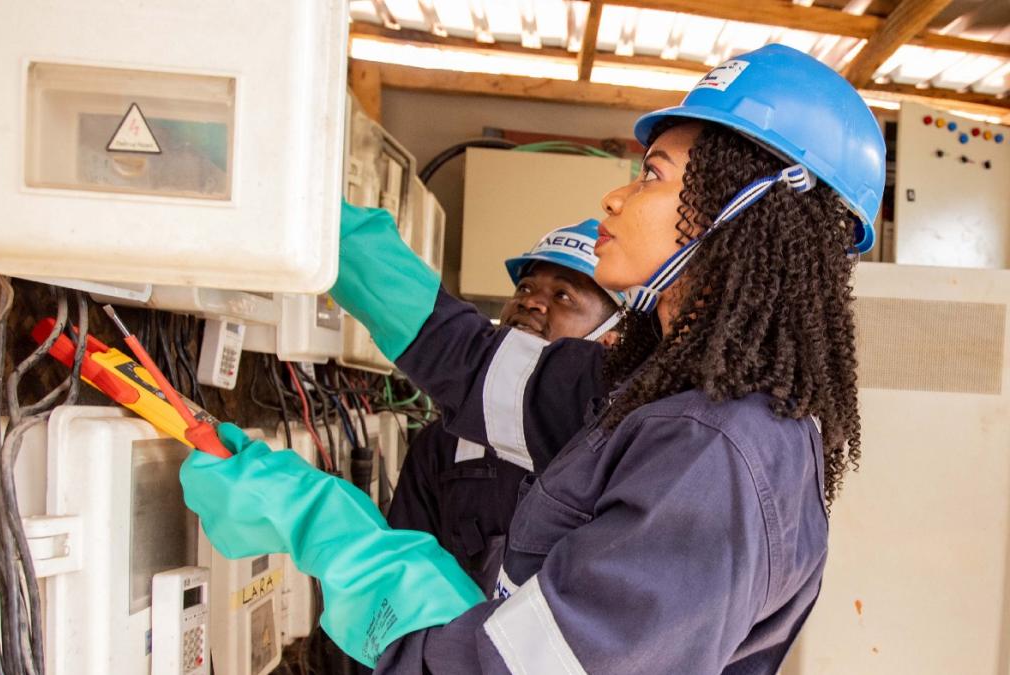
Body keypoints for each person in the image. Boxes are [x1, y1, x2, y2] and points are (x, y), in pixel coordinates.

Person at [182, 43, 883, 674]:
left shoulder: (714, 451)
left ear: (743, 209)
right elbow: (477, 364)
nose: (614, 194)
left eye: (652, 175)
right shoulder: (659, 394)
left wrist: (325, 527)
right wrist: (317, 229)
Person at [387, 219, 627, 594]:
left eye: (563, 296)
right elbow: (401, 578)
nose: (530, 301)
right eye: (525, 287)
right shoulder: (442, 446)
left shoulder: (622, 454)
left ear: (608, 341)